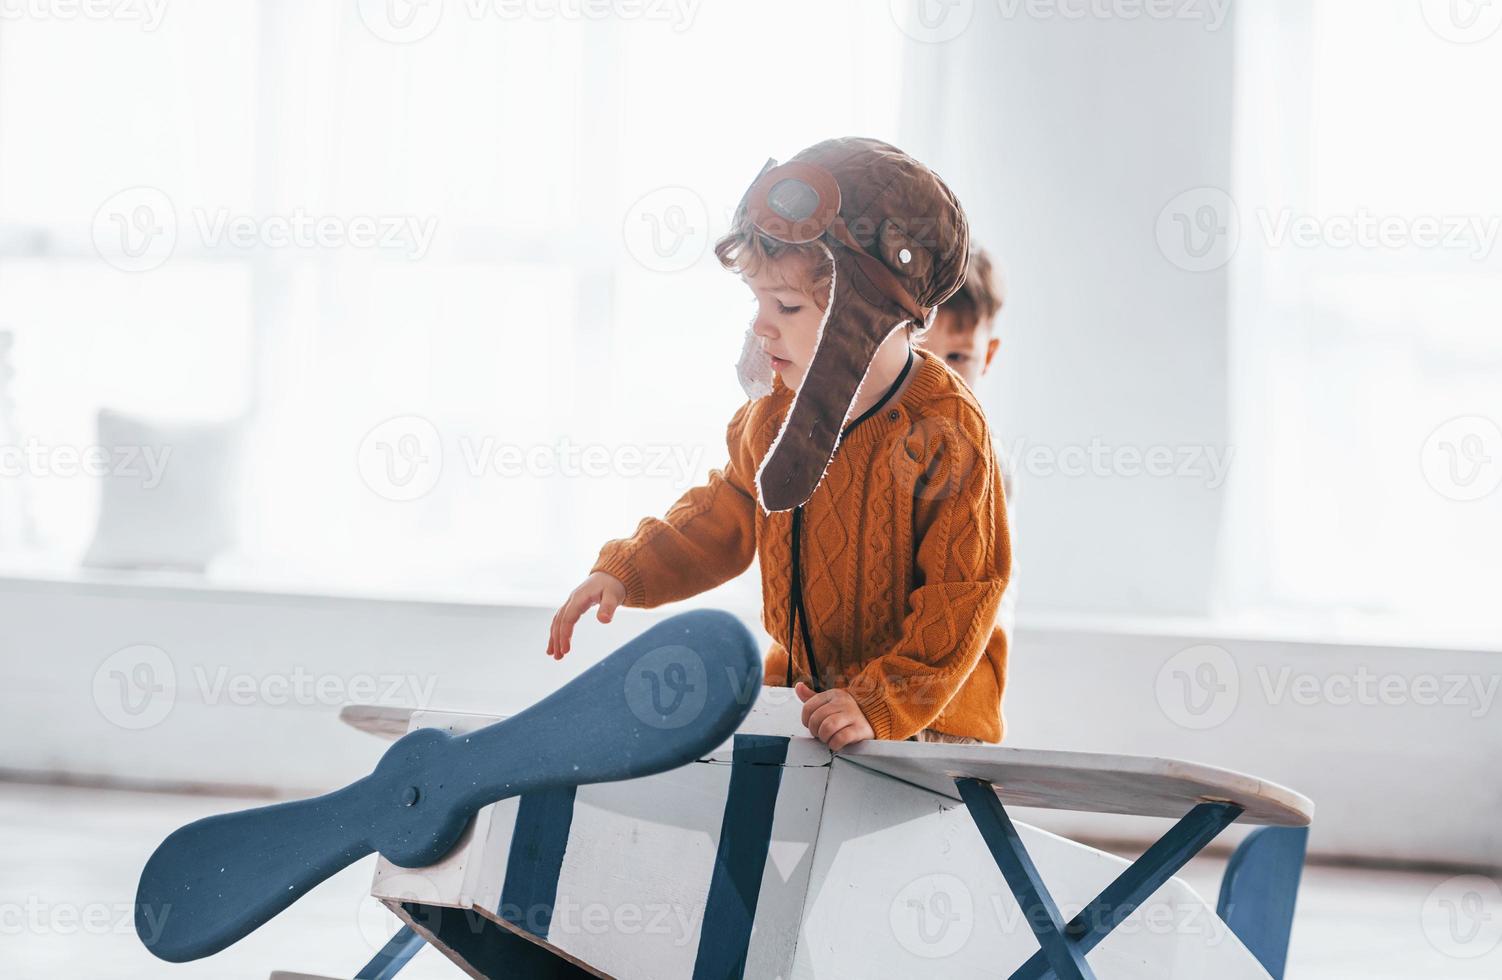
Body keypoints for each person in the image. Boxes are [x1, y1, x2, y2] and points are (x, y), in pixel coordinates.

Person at [548, 138, 1012, 748]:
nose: (761, 325)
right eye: (758, 302)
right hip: (801, 696)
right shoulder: (773, 413)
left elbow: (962, 595)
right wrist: (630, 569)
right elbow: (724, 512)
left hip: (925, 717)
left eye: (787, 305)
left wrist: (882, 702)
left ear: (864, 312)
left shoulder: (945, 429)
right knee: (717, 772)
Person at [918, 247, 1017, 647]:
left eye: (957, 357)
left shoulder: (988, 461)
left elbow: (986, 594)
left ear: (987, 355)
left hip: (964, 655)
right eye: (919, 355)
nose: (939, 378)